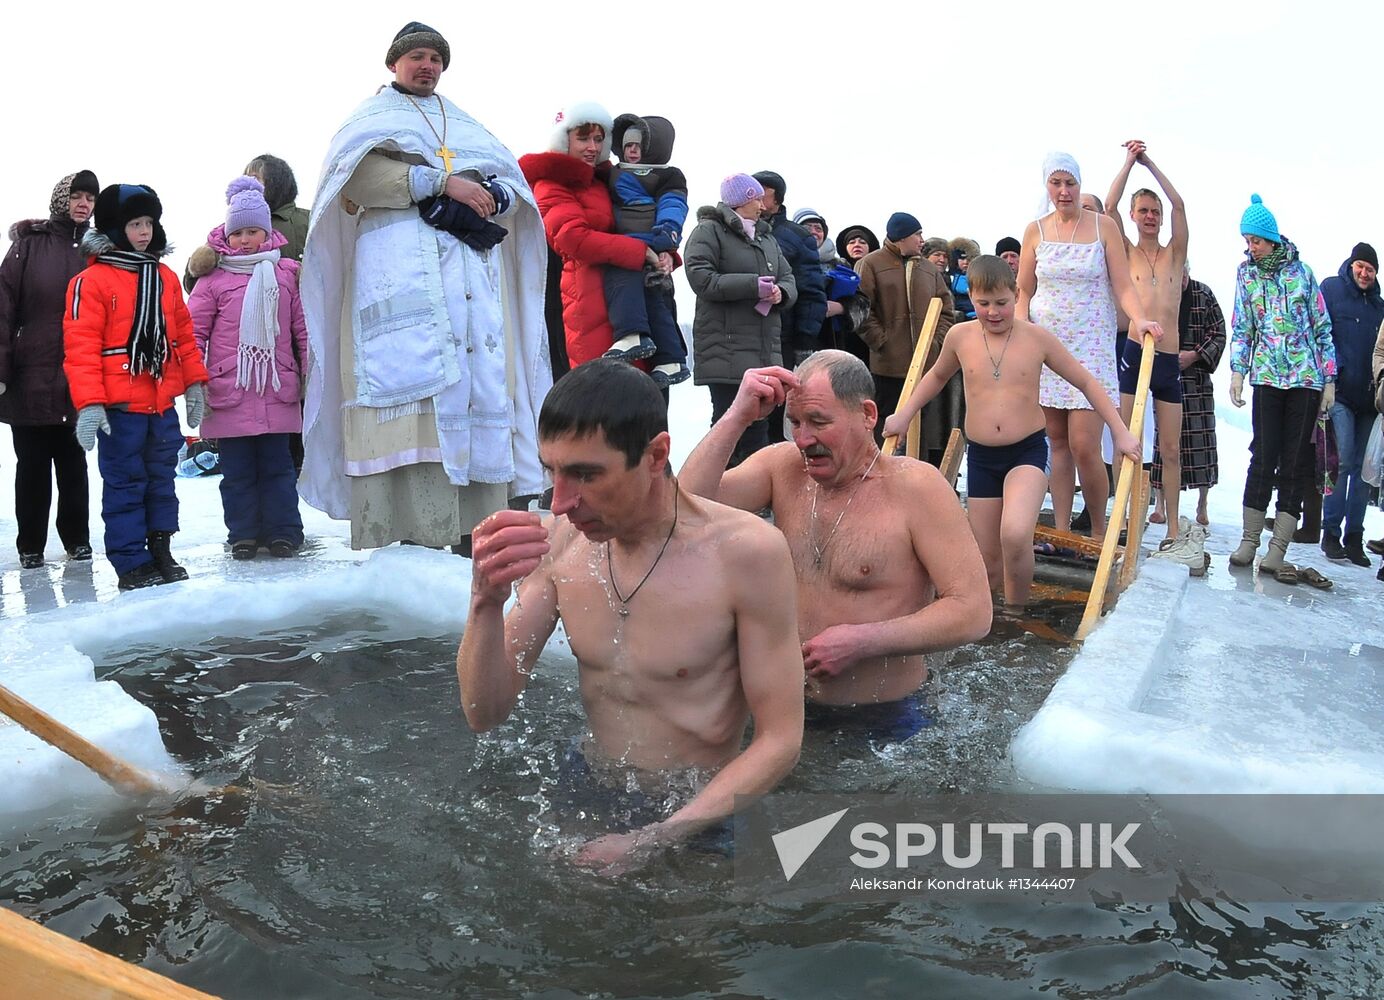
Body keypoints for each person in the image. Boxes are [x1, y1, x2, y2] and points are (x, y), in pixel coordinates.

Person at [457, 359, 803, 872]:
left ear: (655, 455)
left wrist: (655, 838)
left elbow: (780, 740)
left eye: (585, 475)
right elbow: (484, 712)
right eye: (552, 470)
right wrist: (485, 602)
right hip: (589, 781)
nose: (559, 503)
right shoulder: (561, 544)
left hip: (698, 807)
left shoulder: (745, 553)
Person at [301, 22, 550, 552]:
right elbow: (351, 181)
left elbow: (510, 187)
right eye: (417, 56)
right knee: (408, 400)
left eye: (436, 58)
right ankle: (401, 545)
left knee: (473, 388)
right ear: (394, 63)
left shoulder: (465, 124)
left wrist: (491, 194)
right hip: (395, 277)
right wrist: (439, 182)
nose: (428, 66)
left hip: (470, 287)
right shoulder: (369, 121)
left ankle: (473, 537)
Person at [680, 350, 992, 735]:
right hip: (784, 709)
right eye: (794, 422)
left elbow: (974, 611)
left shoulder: (915, 489)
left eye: (818, 421)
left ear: (867, 415)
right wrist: (737, 416)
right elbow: (684, 511)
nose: (803, 439)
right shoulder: (783, 469)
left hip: (885, 719)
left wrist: (862, 641)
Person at [883, 257, 1142, 604]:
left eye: (1002, 303)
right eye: (983, 304)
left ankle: (1017, 611)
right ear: (971, 298)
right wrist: (903, 415)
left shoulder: (1036, 338)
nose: (993, 312)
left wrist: (1120, 431)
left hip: (1027, 451)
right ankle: (995, 621)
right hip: (982, 457)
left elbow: (1085, 381)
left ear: (1017, 295)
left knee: (1016, 532)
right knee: (987, 561)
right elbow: (936, 376)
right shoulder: (961, 336)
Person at [63, 184, 211, 590]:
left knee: (161, 478)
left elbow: (183, 334)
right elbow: (81, 347)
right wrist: (90, 404)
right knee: (126, 483)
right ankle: (130, 561)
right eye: (134, 223)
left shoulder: (163, 276)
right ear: (114, 227)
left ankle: (160, 547)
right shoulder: (90, 281)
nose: (145, 231)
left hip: (160, 400)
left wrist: (195, 383)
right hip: (119, 405)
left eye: (149, 223)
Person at [1017, 152, 1162, 544]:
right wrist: (1019, 327)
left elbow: (1123, 285)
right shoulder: (1036, 230)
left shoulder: (1103, 228)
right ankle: (1062, 532)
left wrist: (1139, 319)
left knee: (1084, 444)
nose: (1064, 191)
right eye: (1056, 183)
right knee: (1056, 442)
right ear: (1047, 186)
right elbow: (1024, 289)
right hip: (1047, 345)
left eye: (1070, 183)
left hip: (1091, 345)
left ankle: (1098, 530)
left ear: (1080, 185)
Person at [188, 177, 308, 560]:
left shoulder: (287, 274)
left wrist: (309, 374)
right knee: (237, 474)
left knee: (279, 470)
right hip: (229, 389)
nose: (244, 239)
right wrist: (195, 381)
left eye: (252, 231)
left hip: (277, 387)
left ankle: (283, 533)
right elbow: (193, 332)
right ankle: (242, 534)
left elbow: (302, 330)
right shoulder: (213, 280)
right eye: (237, 232)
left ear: (267, 232)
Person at [1227, 194, 1335, 587]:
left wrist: (1330, 379)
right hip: (1267, 378)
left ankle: (1278, 548)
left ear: (1270, 238)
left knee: (1293, 464)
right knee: (1262, 457)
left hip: (1305, 381)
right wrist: (1238, 372)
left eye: (1255, 239)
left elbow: (1322, 328)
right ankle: (1249, 539)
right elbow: (1243, 327)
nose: (1250, 247)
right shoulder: (1246, 275)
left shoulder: (1302, 273)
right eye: (1247, 240)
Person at [0, 171, 99, 569]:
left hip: (79, 374)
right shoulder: (28, 245)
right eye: (76, 196)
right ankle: (31, 547)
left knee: (74, 464)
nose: (83, 204)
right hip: (30, 374)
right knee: (33, 466)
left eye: (89, 198)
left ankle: (77, 540)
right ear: (62, 200)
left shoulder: (98, 249)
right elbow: (3, 308)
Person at [521, 102, 666, 370]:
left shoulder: (606, 180)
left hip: (629, 295)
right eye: (584, 138)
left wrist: (666, 255)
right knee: (603, 394)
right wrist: (639, 252)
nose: (593, 147)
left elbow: (638, 221)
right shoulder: (551, 182)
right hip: (587, 296)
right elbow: (572, 239)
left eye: (599, 139)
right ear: (563, 140)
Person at [1103, 140, 1190, 546]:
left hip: (1168, 359)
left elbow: (1180, 206)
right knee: (1129, 440)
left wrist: (1150, 163)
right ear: (1135, 218)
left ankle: (1172, 528)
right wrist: (1128, 163)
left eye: (1154, 212)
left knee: (1169, 448)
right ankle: (1122, 518)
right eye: (1144, 212)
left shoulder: (1175, 254)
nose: (1151, 217)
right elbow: (1109, 208)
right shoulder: (1128, 252)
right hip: (1136, 352)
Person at [683, 173, 797, 466]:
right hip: (725, 350)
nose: (762, 204)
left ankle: (752, 495)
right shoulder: (708, 231)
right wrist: (753, 286)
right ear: (741, 201)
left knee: (758, 425)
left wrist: (780, 294)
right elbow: (701, 278)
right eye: (756, 198)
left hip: (762, 350)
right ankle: (715, 492)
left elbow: (788, 279)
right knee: (727, 423)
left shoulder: (766, 237)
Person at [856, 212, 957, 460]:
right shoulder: (871, 264)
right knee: (883, 425)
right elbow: (860, 308)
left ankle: (914, 481)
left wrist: (936, 343)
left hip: (926, 367)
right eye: (917, 234)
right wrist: (882, 341)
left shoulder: (929, 269)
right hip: (887, 367)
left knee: (921, 430)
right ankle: (878, 475)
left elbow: (946, 310)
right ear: (901, 236)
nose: (921, 240)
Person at [604, 113, 689, 387]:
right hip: (635, 237)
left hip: (646, 237)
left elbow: (673, 205)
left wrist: (666, 237)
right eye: (627, 145)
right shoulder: (612, 171)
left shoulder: (667, 176)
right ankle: (671, 357)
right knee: (653, 296)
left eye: (638, 145)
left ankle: (632, 333)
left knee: (621, 274)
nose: (632, 150)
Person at [1317, 242, 1383, 567]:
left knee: (1364, 472)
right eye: (1360, 266)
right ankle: (1330, 531)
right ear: (1351, 264)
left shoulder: (1380, 308)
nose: (1364, 273)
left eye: (1370, 269)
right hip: (1339, 393)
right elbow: (1319, 331)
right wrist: (1327, 376)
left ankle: (1353, 537)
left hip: (1371, 401)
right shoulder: (1331, 289)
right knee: (1341, 463)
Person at [1150, 265, 1226, 529]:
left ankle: (1202, 503)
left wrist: (1194, 355)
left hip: (1197, 380)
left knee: (1202, 442)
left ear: (1187, 273)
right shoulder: (1159, 295)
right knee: (1164, 443)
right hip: (1165, 378)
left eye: (1182, 275)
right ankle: (1159, 505)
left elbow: (1218, 334)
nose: (1178, 281)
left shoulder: (1203, 294)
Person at [795, 207, 870, 364]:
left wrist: (841, 307)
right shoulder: (786, 259)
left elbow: (863, 304)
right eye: (807, 227)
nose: (814, 232)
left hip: (833, 346)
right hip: (793, 343)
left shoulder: (838, 265)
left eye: (818, 228)